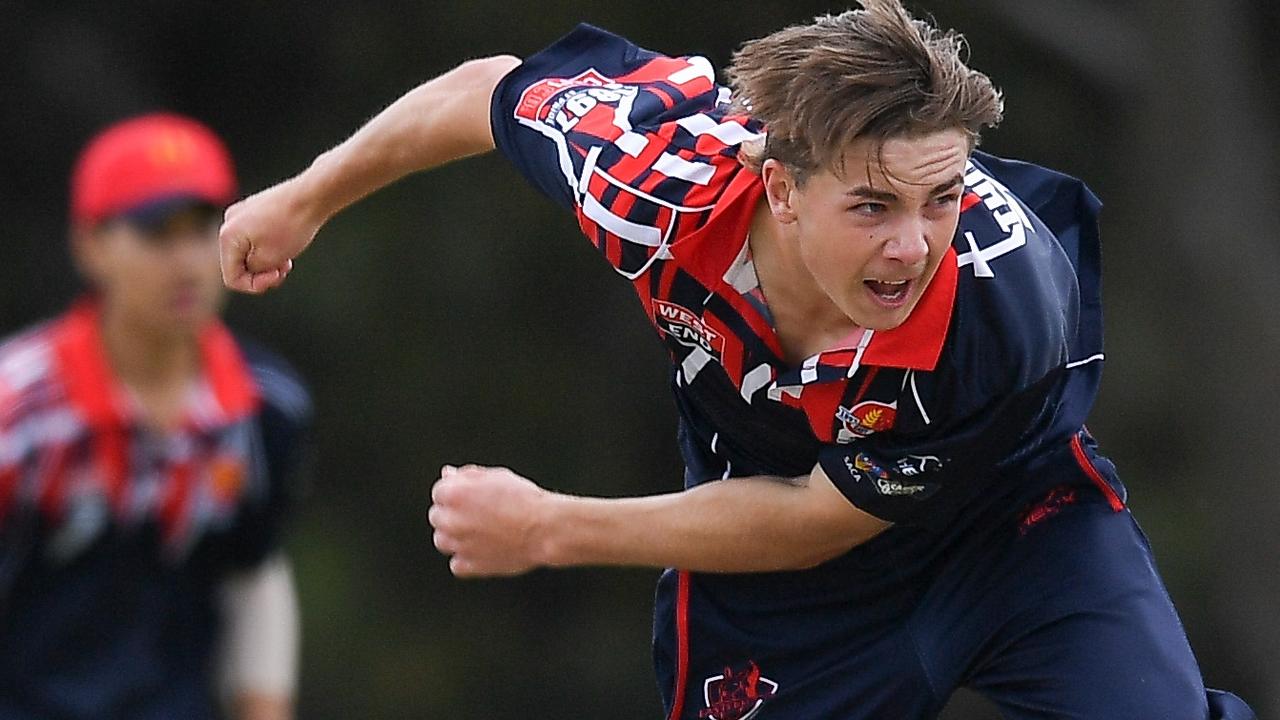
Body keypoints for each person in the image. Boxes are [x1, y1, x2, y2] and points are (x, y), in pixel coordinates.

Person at [217, 1, 1254, 718]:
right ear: (780, 184)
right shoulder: (653, 182)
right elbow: (488, 94)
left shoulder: (999, 302)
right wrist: (304, 196)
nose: (914, 245)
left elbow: (817, 519)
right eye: (872, 204)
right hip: (776, 568)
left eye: (940, 197)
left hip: (1012, 531)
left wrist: (550, 527)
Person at [0, 113, 310, 720]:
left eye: (202, 230)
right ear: (89, 245)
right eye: (156, 234)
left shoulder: (265, 408)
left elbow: (254, 575)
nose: (187, 261)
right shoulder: (16, 410)